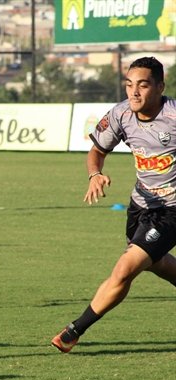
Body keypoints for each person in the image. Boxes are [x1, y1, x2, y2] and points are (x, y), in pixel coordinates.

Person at [52, 56, 176, 353]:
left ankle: (73, 331)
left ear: (160, 87)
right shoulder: (121, 113)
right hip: (140, 205)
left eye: (143, 85)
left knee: (125, 269)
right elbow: (97, 151)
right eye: (129, 84)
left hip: (171, 210)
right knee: (154, 262)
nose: (134, 92)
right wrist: (95, 174)